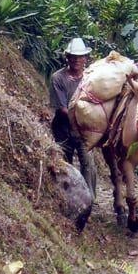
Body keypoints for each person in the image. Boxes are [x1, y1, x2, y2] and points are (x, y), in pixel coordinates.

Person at [49, 38, 97, 200]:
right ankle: (68, 198)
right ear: (67, 58)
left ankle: (90, 200)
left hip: (84, 129)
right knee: (65, 164)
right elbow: (63, 109)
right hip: (63, 129)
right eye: (73, 56)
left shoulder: (91, 78)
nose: (77, 60)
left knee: (88, 164)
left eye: (80, 57)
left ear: (85, 59)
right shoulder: (58, 78)